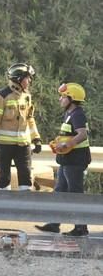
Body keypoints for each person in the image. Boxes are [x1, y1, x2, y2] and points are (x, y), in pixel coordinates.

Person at [36, 83, 92, 236]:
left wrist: (67, 144)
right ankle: (54, 224)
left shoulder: (78, 114)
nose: (60, 99)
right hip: (66, 160)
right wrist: (58, 143)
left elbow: (82, 134)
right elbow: (68, 134)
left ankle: (81, 227)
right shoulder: (68, 113)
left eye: (63, 96)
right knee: (60, 191)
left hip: (75, 161)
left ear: (71, 99)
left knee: (75, 193)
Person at [0, 63, 41, 190]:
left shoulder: (26, 96)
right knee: (4, 179)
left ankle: (24, 207)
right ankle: (3, 206)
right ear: (19, 79)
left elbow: (29, 119)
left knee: (26, 178)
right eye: (27, 78)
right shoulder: (1, 96)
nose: (29, 81)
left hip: (23, 145)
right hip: (4, 146)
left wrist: (36, 139)